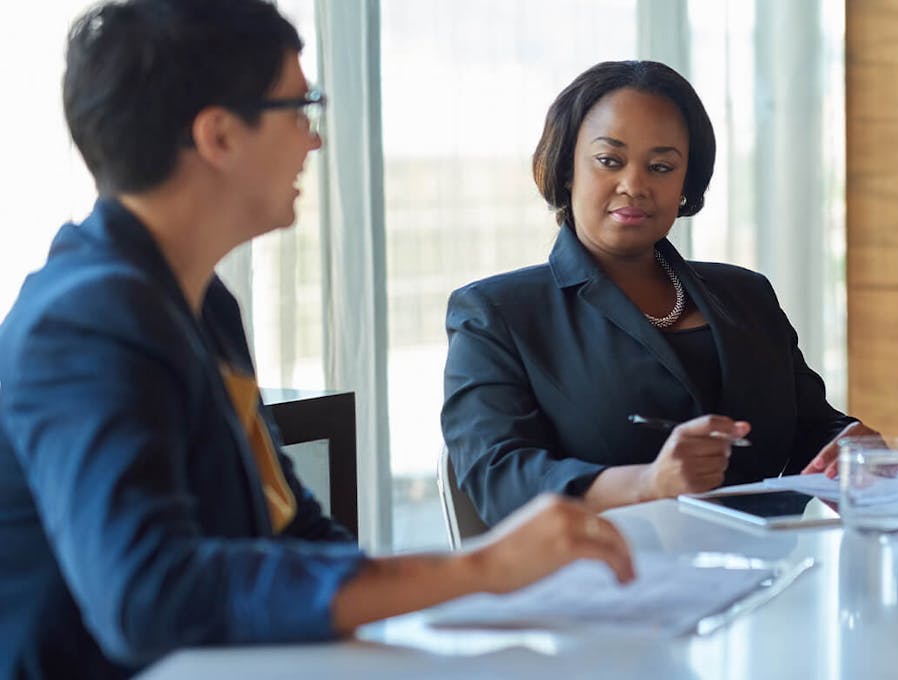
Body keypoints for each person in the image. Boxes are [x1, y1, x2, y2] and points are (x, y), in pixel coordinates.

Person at [0, 2, 632, 677]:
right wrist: (478, 566)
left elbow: (292, 530)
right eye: (301, 108)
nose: (314, 140)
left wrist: (473, 596)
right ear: (218, 136)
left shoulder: (199, 299)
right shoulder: (84, 322)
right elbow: (150, 596)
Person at [442, 60, 873, 524]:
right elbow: (498, 478)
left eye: (661, 166)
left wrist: (849, 444)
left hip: (775, 574)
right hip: (603, 581)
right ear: (567, 167)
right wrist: (648, 484)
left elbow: (810, 425)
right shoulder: (496, 314)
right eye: (609, 161)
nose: (634, 185)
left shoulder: (748, 295)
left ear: (686, 183)